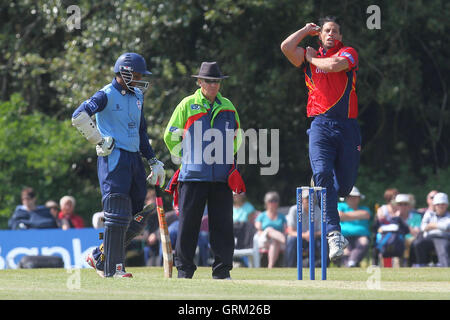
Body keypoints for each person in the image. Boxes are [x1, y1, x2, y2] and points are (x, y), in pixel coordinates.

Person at [72, 52, 166, 278]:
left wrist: (153, 160)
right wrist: (98, 140)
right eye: (137, 74)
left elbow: (141, 132)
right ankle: (114, 268)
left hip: (134, 160)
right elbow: (78, 116)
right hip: (114, 157)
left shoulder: (138, 97)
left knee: (137, 217)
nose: (140, 78)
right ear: (124, 72)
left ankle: (99, 256)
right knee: (117, 215)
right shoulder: (106, 94)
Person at [281, 16, 361, 261]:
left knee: (344, 187)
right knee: (323, 174)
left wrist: (312, 58)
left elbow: (334, 66)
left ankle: (323, 185)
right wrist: (305, 30)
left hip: (347, 127)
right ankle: (333, 232)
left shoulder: (348, 52)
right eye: (327, 30)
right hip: (320, 125)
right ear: (320, 34)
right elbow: (285, 47)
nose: (331, 34)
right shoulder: (308, 54)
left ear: (340, 36)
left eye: (335, 31)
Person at [163, 61, 243, 279]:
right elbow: (170, 135)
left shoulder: (228, 105)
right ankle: (184, 271)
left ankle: (222, 272)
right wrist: (185, 157)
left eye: (217, 81)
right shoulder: (187, 104)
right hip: (193, 176)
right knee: (188, 226)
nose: (213, 85)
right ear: (199, 82)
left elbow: (238, 136)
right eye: (209, 81)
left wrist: (226, 157)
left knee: (223, 226)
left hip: (221, 177)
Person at [286, 188, 321, 268]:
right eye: (307, 198)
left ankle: (322, 265)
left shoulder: (318, 210)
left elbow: (323, 231)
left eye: (311, 198)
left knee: (323, 240)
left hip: (314, 238)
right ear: (301, 199)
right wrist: (304, 235)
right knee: (292, 240)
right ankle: (290, 267)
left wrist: (312, 234)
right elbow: (290, 231)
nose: (309, 200)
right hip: (299, 238)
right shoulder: (294, 210)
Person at [413, 192, 450, 267]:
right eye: (438, 204)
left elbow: (446, 226)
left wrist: (430, 225)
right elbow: (423, 227)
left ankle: (445, 268)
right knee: (418, 243)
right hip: (429, 238)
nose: (440, 206)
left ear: (446, 205)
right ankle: (421, 265)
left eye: (443, 204)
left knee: (443, 249)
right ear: (435, 205)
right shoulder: (429, 214)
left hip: (443, 238)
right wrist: (439, 227)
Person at [337, 187, 371, 267]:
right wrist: (357, 215)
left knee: (364, 242)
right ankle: (350, 264)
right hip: (343, 236)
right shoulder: (340, 205)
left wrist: (346, 216)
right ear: (346, 198)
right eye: (350, 196)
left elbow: (366, 215)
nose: (352, 199)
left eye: (355, 197)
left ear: (359, 198)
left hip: (361, 236)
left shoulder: (365, 209)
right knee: (344, 249)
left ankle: (351, 262)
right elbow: (339, 216)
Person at [255, 191, 287, 268]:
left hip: (276, 241)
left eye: (275, 201)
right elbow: (258, 230)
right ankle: (284, 240)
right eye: (270, 201)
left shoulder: (282, 217)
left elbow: (285, 230)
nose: (273, 203)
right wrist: (270, 233)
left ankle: (270, 266)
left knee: (275, 241)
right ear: (266, 203)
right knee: (269, 229)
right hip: (264, 239)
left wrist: (274, 235)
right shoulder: (261, 216)